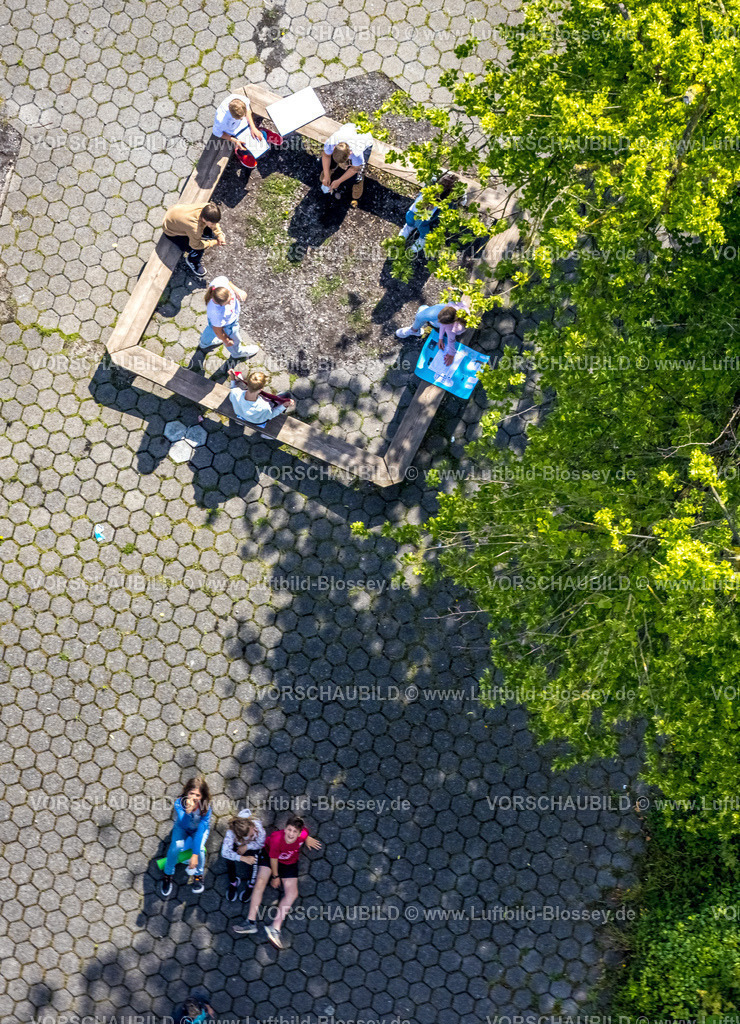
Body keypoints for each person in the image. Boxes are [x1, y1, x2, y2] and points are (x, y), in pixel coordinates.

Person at [233, 815, 321, 949]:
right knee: (261, 882)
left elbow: (305, 832)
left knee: (292, 893)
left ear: (299, 833)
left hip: (289, 863)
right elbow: (273, 859)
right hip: (270, 858)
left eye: (295, 832)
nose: (291, 834)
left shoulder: (302, 835)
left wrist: (307, 838)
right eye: (289, 830)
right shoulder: (276, 839)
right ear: (285, 829)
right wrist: (275, 877)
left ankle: (275, 928)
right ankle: (250, 922)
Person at [160, 776, 212, 898]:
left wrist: (194, 855)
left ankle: (198, 875)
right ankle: (168, 873)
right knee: (176, 846)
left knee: (200, 851)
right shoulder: (179, 803)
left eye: (198, 795)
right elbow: (183, 823)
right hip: (182, 827)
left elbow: (200, 831)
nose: (194, 798)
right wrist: (188, 812)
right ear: (186, 792)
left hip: (198, 830)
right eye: (191, 793)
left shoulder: (206, 808)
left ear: (203, 796)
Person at [212, 93, 283, 169]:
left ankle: (262, 131)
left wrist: (253, 128)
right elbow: (217, 133)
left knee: (261, 135)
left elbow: (248, 111)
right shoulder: (221, 120)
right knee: (245, 148)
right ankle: (240, 152)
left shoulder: (240, 99)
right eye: (239, 118)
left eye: (243, 116)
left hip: (247, 127)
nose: (242, 118)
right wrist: (235, 141)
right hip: (235, 133)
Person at [199, 276, 259, 360]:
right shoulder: (217, 313)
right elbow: (218, 330)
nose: (231, 301)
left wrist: (237, 290)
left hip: (214, 322)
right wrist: (226, 340)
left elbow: (228, 282)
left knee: (210, 328)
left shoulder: (219, 283)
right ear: (219, 304)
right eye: (227, 303)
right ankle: (237, 352)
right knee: (234, 340)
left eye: (230, 296)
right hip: (228, 325)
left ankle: (204, 343)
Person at [162, 201, 225, 280]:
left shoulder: (208, 207)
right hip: (170, 231)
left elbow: (213, 224)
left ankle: (204, 233)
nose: (214, 225)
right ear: (204, 219)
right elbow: (195, 245)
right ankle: (192, 260)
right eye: (212, 224)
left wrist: (219, 234)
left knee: (206, 229)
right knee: (197, 249)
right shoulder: (195, 228)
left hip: (173, 212)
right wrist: (213, 242)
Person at [398, 173, 459, 255]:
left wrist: (434, 177)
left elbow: (429, 181)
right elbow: (450, 207)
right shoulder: (443, 201)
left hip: (411, 213)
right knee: (424, 235)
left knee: (408, 227)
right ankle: (413, 249)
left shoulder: (428, 189)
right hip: (422, 222)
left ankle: (400, 240)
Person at [395, 301, 470, 365]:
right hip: (450, 323)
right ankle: (415, 329)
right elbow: (444, 325)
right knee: (422, 309)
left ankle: (415, 330)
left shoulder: (453, 328)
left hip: (454, 329)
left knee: (423, 309)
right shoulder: (454, 308)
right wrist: (440, 338)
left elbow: (451, 340)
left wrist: (451, 354)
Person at [320, 122, 374, 207]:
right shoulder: (330, 143)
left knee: (360, 169)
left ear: (350, 154)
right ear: (334, 147)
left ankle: (358, 181)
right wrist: (326, 175)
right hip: (349, 128)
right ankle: (329, 170)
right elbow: (326, 155)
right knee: (330, 161)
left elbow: (354, 169)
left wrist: (339, 181)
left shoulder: (357, 153)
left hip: (365, 138)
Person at [221, 808, 266, 903]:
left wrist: (247, 846)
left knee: (255, 860)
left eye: (252, 832)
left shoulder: (257, 826)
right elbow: (224, 852)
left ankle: (251, 884)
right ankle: (233, 882)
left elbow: (261, 843)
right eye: (250, 836)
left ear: (251, 824)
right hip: (238, 846)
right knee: (229, 859)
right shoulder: (231, 833)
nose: (253, 834)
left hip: (251, 846)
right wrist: (242, 858)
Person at [227, 369, 296, 427]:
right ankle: (268, 436)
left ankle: (240, 421)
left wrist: (233, 379)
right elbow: (271, 415)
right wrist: (284, 406)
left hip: (240, 413)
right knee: (286, 395)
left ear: (248, 383)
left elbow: (233, 389)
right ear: (261, 389)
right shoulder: (264, 406)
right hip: (256, 421)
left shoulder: (234, 393)